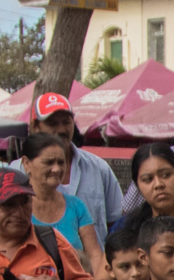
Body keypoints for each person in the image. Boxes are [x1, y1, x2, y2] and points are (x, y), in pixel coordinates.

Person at [27, 93, 125, 230]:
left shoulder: (99, 168)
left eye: (66, 122)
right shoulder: (18, 172)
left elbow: (116, 223)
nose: (61, 130)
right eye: (52, 123)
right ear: (35, 127)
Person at [17, 129, 103, 280]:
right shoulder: (17, 208)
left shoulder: (76, 206)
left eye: (61, 162)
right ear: (27, 164)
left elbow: (94, 254)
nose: (57, 169)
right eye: (49, 162)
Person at [113, 142, 174, 241]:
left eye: (166, 175)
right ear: (138, 186)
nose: (158, 184)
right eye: (148, 179)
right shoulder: (124, 228)